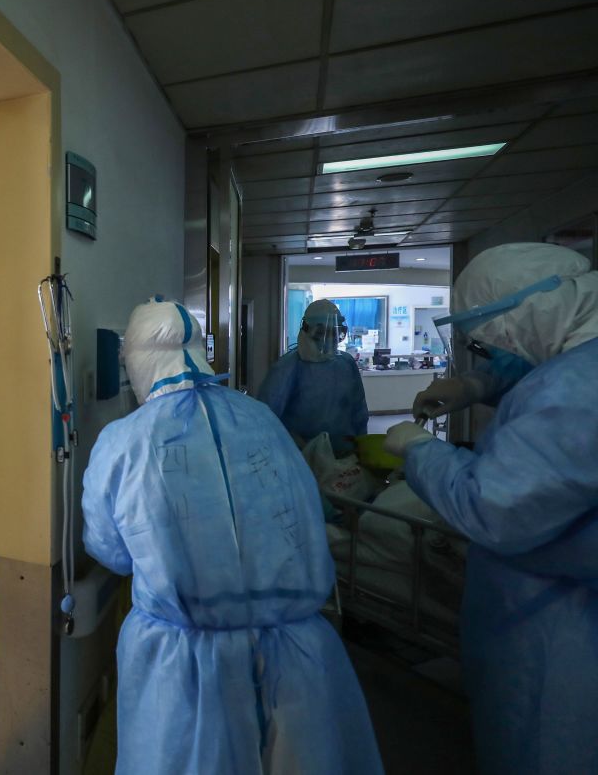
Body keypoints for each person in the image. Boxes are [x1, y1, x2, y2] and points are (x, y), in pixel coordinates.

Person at [83, 298, 382, 775]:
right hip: (298, 654)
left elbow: (110, 552)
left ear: (134, 363)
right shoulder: (261, 418)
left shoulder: (125, 440)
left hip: (185, 665)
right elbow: (304, 511)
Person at [384, 243, 598, 775]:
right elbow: (537, 361)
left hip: (561, 632)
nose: (495, 348)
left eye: (495, 335)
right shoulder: (575, 361)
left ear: (535, 308)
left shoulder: (576, 391)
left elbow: (492, 508)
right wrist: (475, 384)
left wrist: (420, 450)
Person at [256, 299, 368, 456]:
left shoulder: (346, 363)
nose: (329, 339)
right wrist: (293, 445)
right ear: (307, 331)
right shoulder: (288, 367)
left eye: (333, 332)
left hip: (344, 455)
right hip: (301, 458)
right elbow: (265, 417)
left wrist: (362, 446)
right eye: (322, 333)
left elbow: (359, 410)